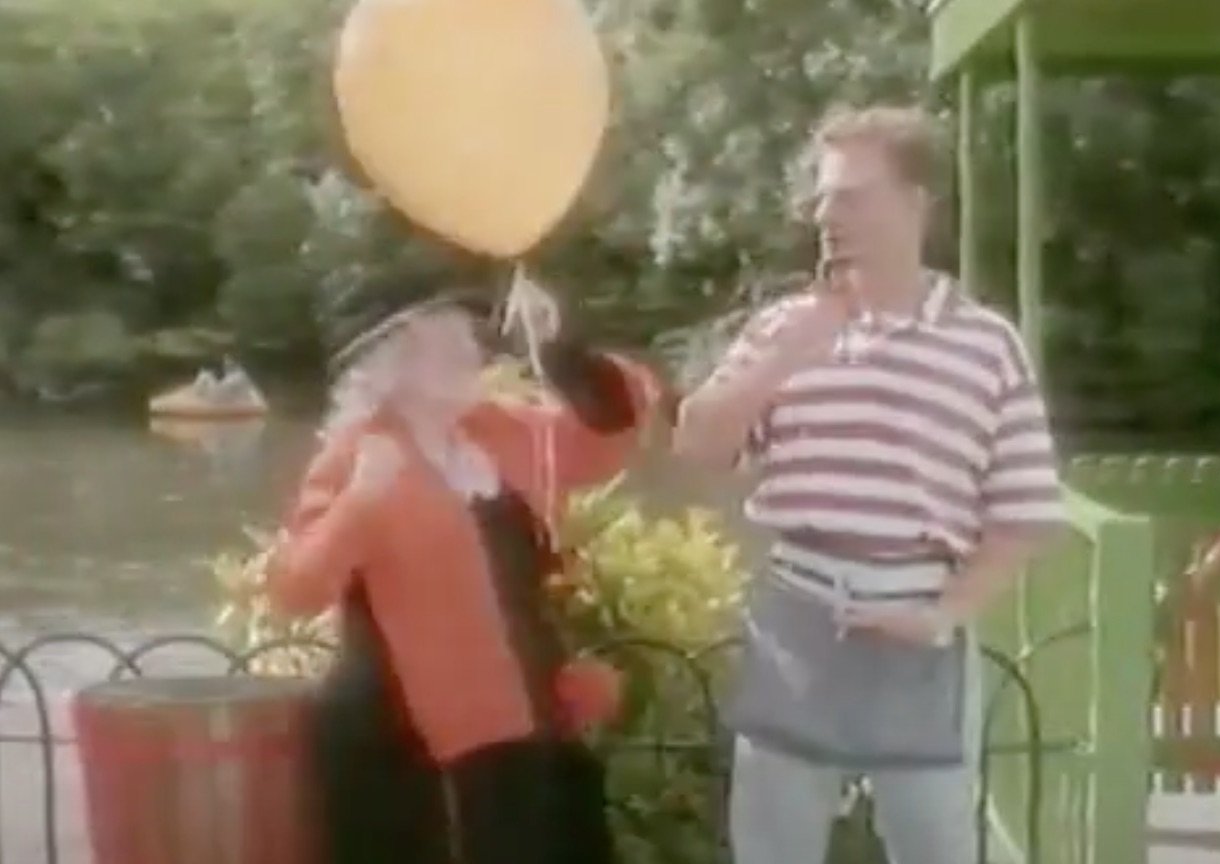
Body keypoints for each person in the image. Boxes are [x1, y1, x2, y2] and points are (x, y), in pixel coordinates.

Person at [673, 105, 1064, 864]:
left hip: (917, 618)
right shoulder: (784, 326)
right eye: (822, 199)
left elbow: (1023, 514)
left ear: (914, 204)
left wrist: (945, 614)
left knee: (936, 846)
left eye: (850, 196)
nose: (827, 216)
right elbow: (696, 444)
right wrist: (782, 359)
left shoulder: (986, 344)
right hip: (799, 613)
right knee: (771, 849)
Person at [265, 269, 662, 864]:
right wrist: (360, 501)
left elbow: (614, 428)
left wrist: (561, 351)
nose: (471, 350)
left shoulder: (502, 431)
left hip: (526, 726)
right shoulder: (352, 457)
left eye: (467, 336)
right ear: (395, 365)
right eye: (447, 340)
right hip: (405, 741)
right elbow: (295, 590)